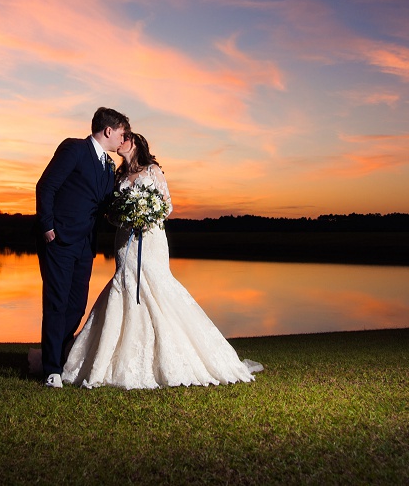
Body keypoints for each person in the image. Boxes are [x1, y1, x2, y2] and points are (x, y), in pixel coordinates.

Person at [61, 132, 263, 389]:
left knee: (156, 286)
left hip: (152, 237)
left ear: (135, 144)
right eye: (119, 138)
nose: (120, 142)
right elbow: (110, 214)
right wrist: (124, 217)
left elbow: (167, 207)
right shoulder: (118, 176)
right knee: (123, 284)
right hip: (125, 241)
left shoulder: (153, 171)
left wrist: (145, 214)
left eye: (125, 139)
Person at [35, 107, 130, 388]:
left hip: (85, 245)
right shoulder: (74, 149)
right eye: (121, 133)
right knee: (57, 303)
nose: (123, 139)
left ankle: (59, 358)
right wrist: (47, 227)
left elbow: (104, 205)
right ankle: (51, 370)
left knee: (76, 307)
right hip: (59, 240)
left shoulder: (108, 166)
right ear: (108, 131)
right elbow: (46, 186)